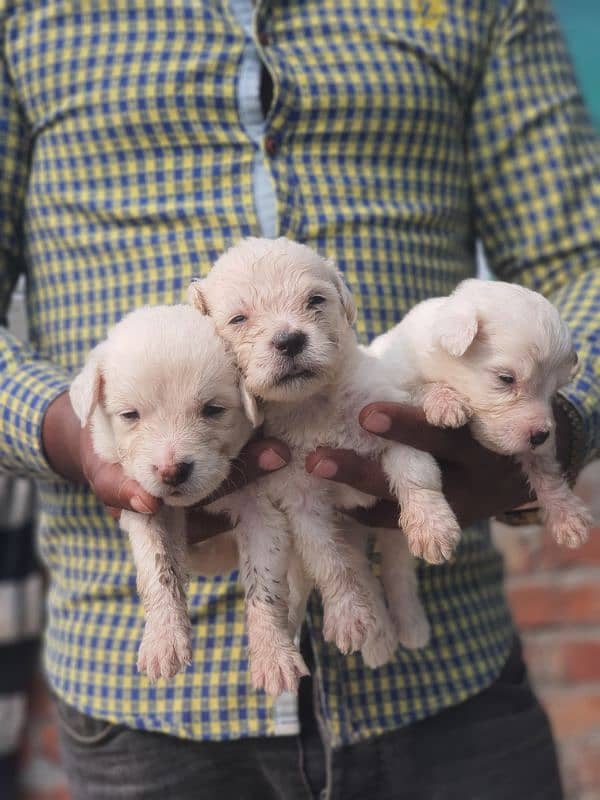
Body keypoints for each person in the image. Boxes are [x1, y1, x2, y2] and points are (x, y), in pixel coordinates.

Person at [0, 1, 598, 797]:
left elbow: (580, 258)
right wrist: (65, 428)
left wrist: (557, 421)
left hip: (449, 679)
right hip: (141, 695)